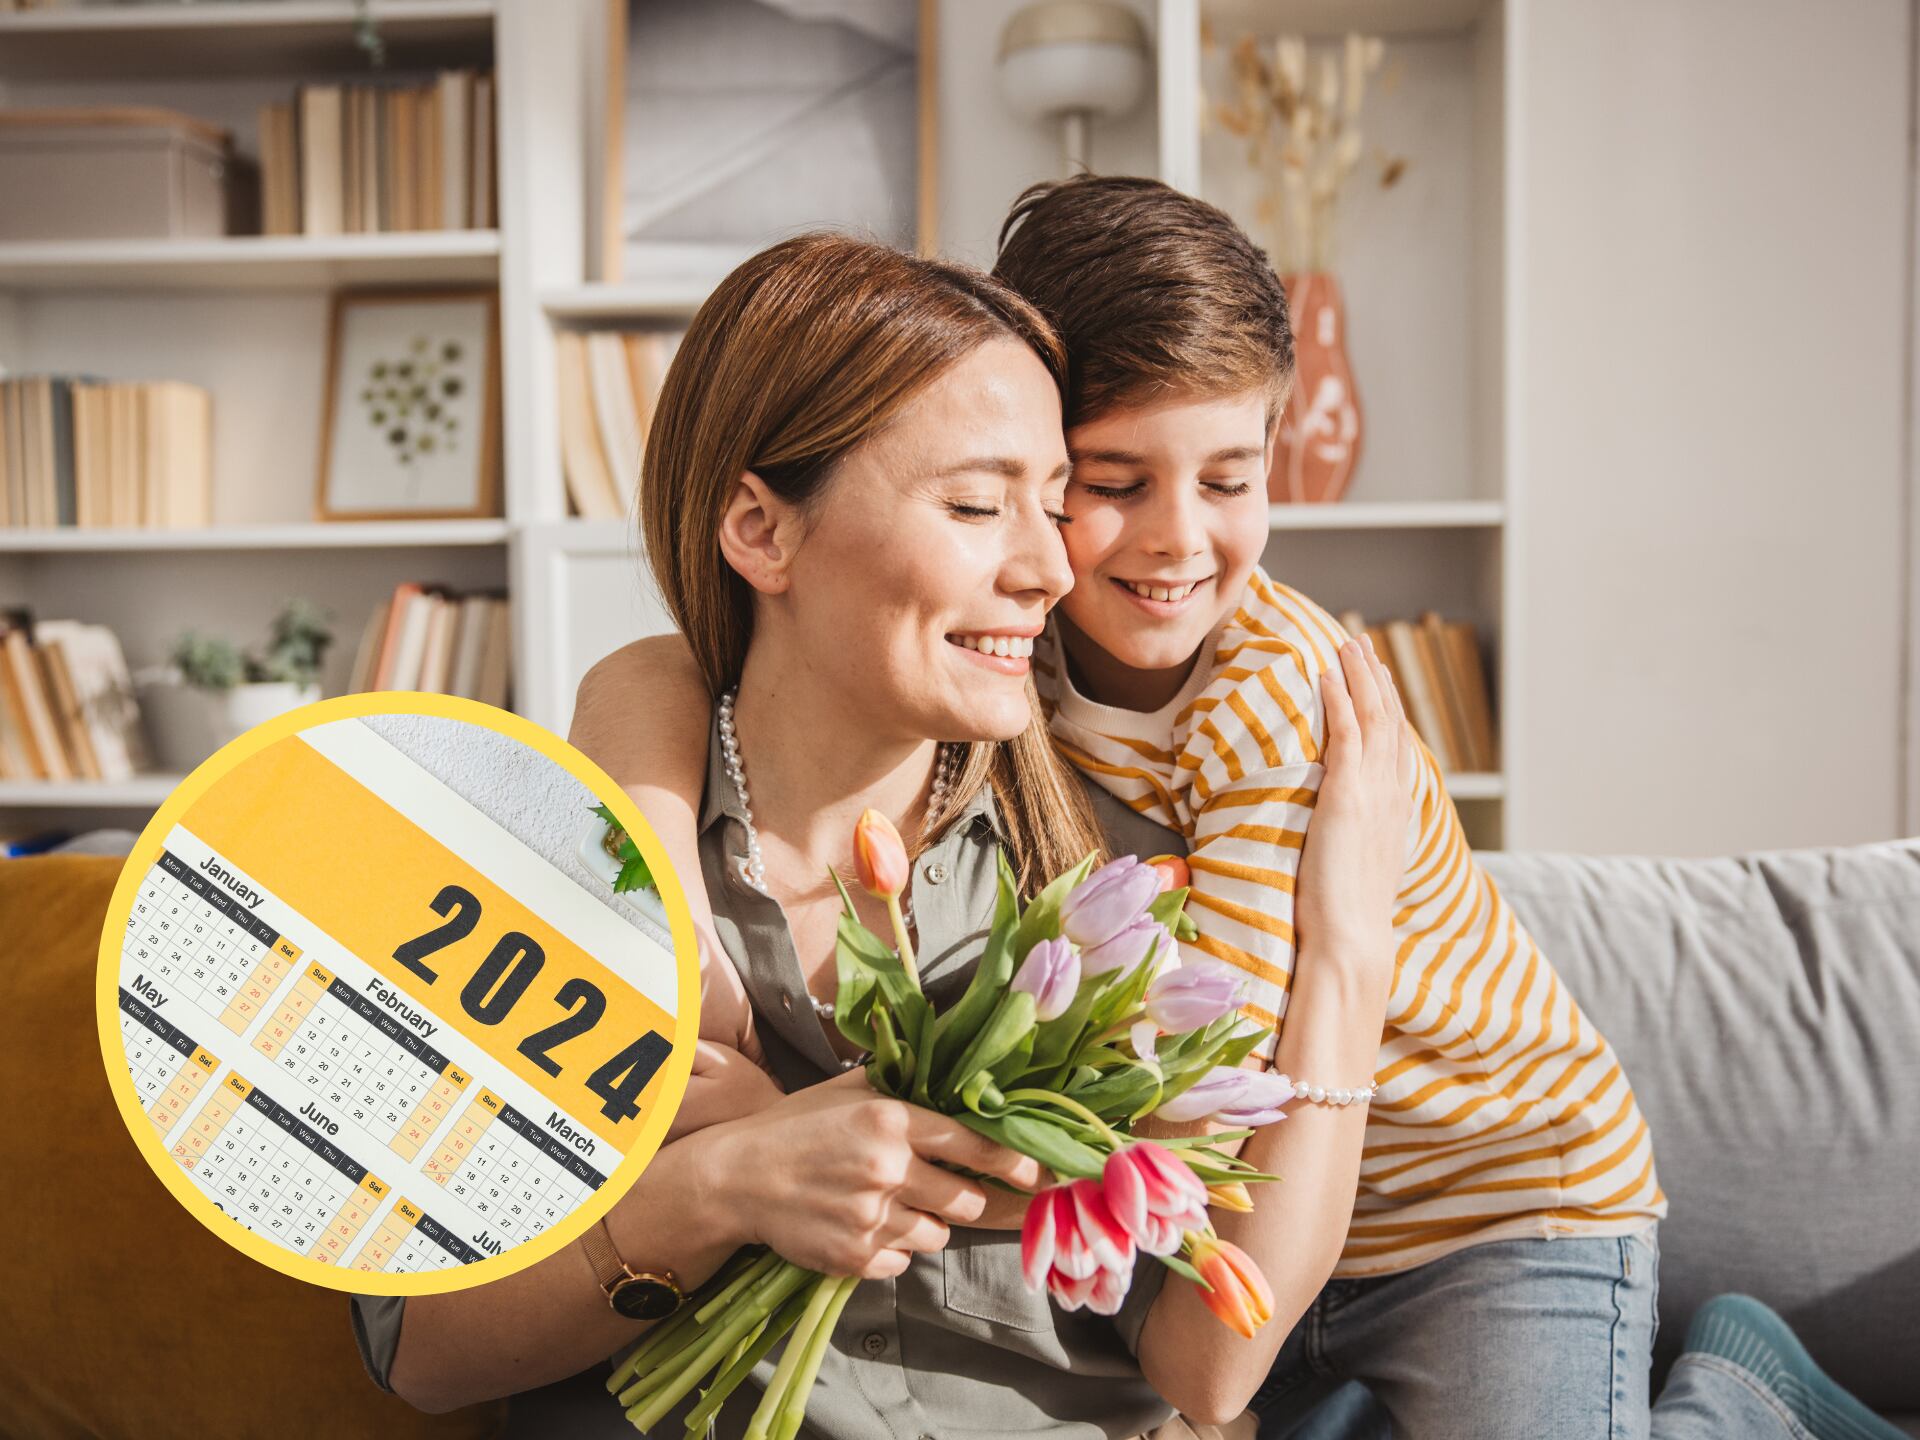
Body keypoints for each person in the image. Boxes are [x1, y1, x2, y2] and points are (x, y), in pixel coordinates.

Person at [577, 182, 1907, 1440]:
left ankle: (1746, 1397)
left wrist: (799, 1131)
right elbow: (669, 669)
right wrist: (667, 892)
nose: (1176, 539)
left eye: (1229, 480)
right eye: (1109, 484)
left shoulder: (1276, 705)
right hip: (1294, 1224)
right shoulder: (1007, 633)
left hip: (1488, 1205)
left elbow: (1200, 1084)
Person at [360, 232, 1417, 1440]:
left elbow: (1211, 1353)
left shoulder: (1110, 881)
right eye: (975, 505)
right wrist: (719, 1189)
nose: (1049, 568)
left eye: (1055, 504)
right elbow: (422, 1352)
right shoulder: (545, 870)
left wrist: (1349, 943)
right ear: (762, 531)